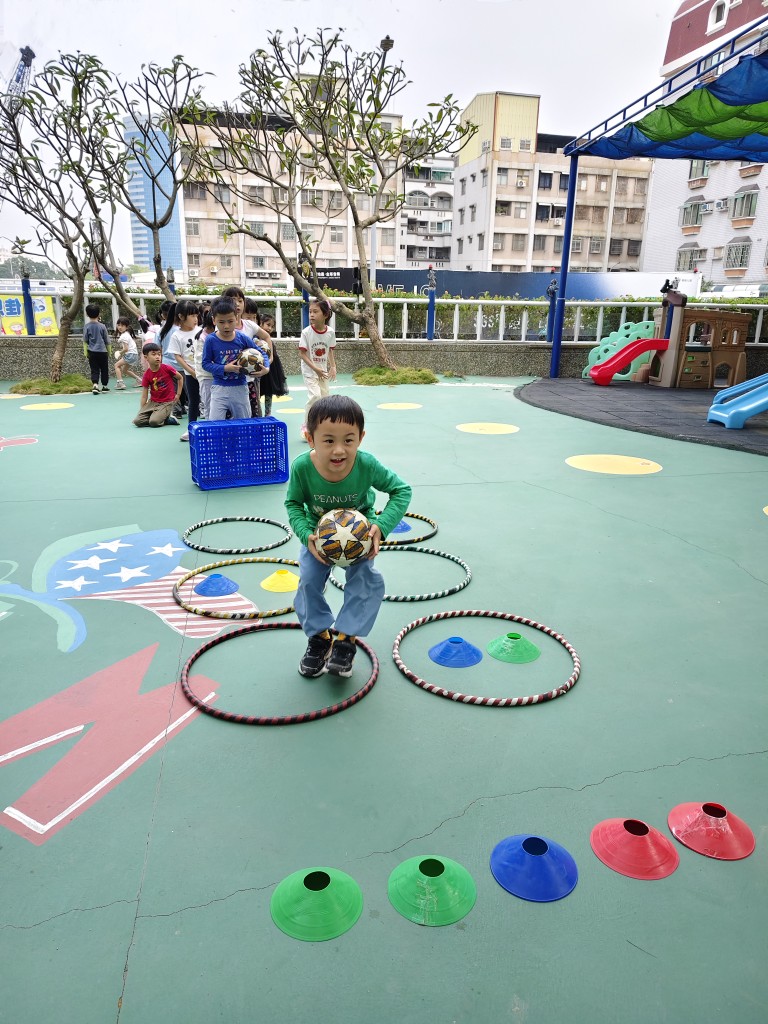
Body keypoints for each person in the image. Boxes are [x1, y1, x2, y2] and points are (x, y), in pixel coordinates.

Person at [284, 395, 411, 679]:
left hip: (360, 540)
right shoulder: (302, 467)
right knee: (308, 582)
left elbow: (401, 490)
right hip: (319, 538)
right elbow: (293, 504)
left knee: (365, 581)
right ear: (310, 438)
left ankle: (346, 638)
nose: (339, 450)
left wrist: (381, 526)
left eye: (348, 440)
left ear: (361, 438)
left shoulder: (366, 464)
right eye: (328, 440)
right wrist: (306, 534)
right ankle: (319, 636)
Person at [202, 298, 270, 421]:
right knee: (216, 424)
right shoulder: (211, 340)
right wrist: (225, 368)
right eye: (221, 322)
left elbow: (261, 353)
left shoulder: (242, 338)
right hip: (219, 389)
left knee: (244, 423)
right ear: (214, 320)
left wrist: (266, 368)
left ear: (237, 318)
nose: (226, 326)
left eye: (230, 321)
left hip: (240, 388)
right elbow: (205, 364)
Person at [299, 299, 336, 441]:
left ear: (325, 314)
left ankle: (322, 425)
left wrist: (333, 366)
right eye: (310, 312)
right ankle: (307, 426)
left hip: (323, 370)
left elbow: (330, 350)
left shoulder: (330, 332)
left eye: (315, 311)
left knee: (325, 398)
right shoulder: (306, 332)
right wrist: (315, 369)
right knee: (315, 396)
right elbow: (302, 354)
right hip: (310, 370)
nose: (311, 315)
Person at [165, 300, 202, 442]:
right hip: (190, 374)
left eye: (196, 315)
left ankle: (212, 426)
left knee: (210, 400)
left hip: (205, 372)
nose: (195, 319)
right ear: (181, 316)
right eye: (192, 316)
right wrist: (191, 371)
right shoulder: (176, 335)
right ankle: (191, 428)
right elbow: (178, 356)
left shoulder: (201, 331)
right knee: (193, 401)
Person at [133, 342, 183, 428]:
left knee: (154, 422)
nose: (157, 356)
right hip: (153, 402)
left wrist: (178, 394)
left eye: (159, 354)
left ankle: (167, 418)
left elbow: (180, 378)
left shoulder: (166, 368)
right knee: (137, 421)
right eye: (154, 354)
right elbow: (144, 396)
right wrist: (142, 410)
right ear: (146, 357)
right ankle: (161, 417)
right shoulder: (147, 374)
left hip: (167, 402)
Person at [258, 313, 288, 417]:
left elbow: (272, 355)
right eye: (268, 325)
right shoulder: (255, 338)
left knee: (268, 391)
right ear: (260, 324)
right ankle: (257, 412)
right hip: (258, 368)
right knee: (257, 391)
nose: (270, 328)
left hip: (270, 369)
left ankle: (268, 413)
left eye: (272, 326)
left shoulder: (268, 339)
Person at [193, 309, 215, 421]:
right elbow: (203, 361)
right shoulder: (202, 337)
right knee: (209, 405)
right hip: (206, 376)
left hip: (217, 375)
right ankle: (210, 426)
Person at [83, 303, 110, 395]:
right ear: (98, 314)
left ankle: (95, 385)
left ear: (87, 314)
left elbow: (85, 340)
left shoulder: (86, 326)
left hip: (92, 351)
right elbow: (107, 340)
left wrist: (86, 352)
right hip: (102, 351)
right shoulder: (102, 326)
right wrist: (109, 351)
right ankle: (104, 386)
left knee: (94, 369)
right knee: (104, 369)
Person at [113, 317, 141, 389]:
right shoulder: (127, 334)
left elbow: (126, 349)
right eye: (118, 325)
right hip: (134, 354)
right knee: (124, 370)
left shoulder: (124, 336)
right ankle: (139, 380)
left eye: (122, 325)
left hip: (130, 354)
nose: (120, 327)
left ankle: (120, 383)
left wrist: (120, 352)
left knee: (116, 365)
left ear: (126, 327)